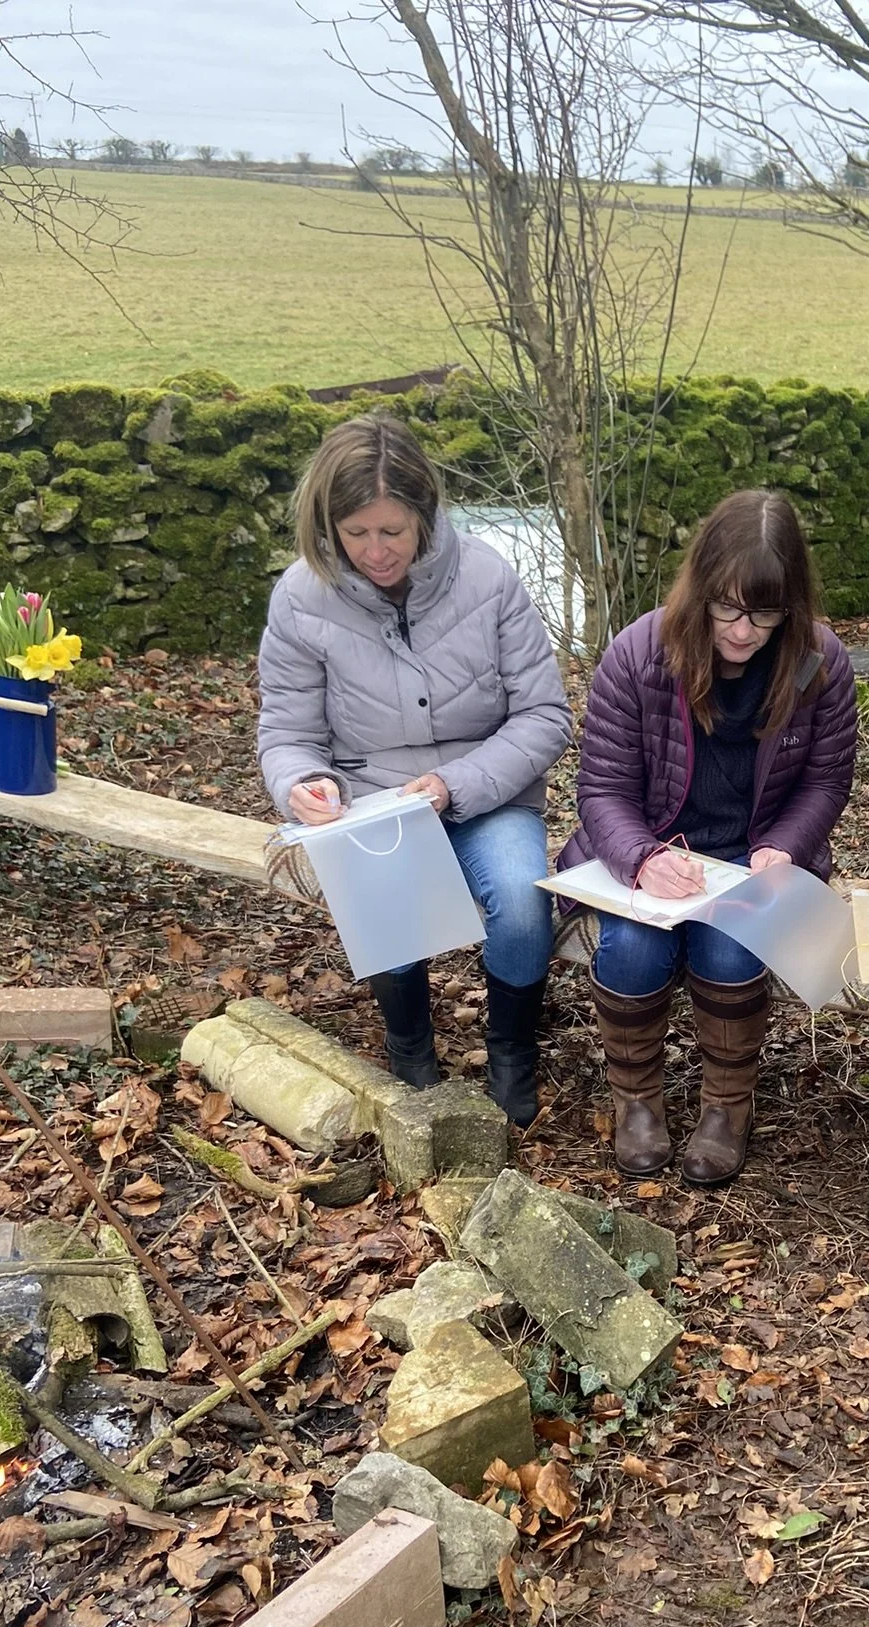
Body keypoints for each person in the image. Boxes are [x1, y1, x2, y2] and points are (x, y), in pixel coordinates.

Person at [257, 414, 572, 1126]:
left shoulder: (488, 577)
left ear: (425, 516)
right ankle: (411, 1054)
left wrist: (456, 784)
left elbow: (545, 716)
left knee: (523, 906)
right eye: (356, 533)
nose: (375, 551)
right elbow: (286, 733)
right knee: (386, 909)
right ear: (327, 524)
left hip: (486, 790)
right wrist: (304, 783)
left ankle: (511, 1050)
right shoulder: (301, 599)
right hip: (371, 800)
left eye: (392, 532)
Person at [559, 489, 857, 1185]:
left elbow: (825, 781)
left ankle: (728, 1108)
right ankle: (636, 1102)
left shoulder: (820, 662)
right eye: (727, 606)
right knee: (632, 950)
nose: (745, 630)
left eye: (765, 612)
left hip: (754, 859)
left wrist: (786, 845)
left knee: (728, 951)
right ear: (699, 588)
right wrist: (641, 857)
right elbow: (601, 788)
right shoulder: (640, 654)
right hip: (657, 851)